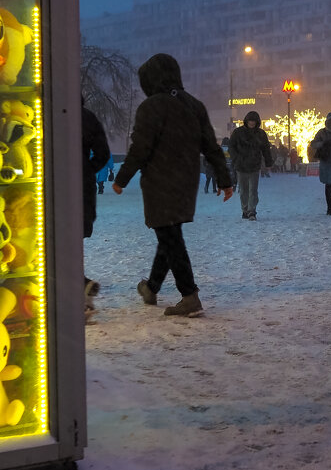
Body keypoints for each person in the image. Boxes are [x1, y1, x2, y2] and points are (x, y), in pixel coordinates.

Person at [112, 54, 234, 317]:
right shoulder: (194, 105)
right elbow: (211, 148)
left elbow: (140, 148)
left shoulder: (152, 107)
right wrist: (225, 180)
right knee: (169, 233)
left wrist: (121, 178)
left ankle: (189, 295)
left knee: (170, 236)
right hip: (186, 182)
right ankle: (151, 287)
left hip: (159, 181)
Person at [82, 99, 111, 322]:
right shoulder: (87, 117)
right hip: (82, 188)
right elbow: (102, 153)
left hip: (50, 184)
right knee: (73, 240)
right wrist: (85, 170)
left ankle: (80, 290)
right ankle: (81, 288)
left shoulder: (45, 113)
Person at [229, 110, 274, 221]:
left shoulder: (261, 134)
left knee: (253, 190)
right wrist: (236, 159)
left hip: (254, 165)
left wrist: (268, 162)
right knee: (244, 190)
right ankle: (245, 209)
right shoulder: (238, 132)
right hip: (241, 165)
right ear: (247, 121)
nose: (252, 123)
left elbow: (266, 149)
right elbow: (231, 147)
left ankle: (251, 211)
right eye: (250, 121)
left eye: (254, 121)